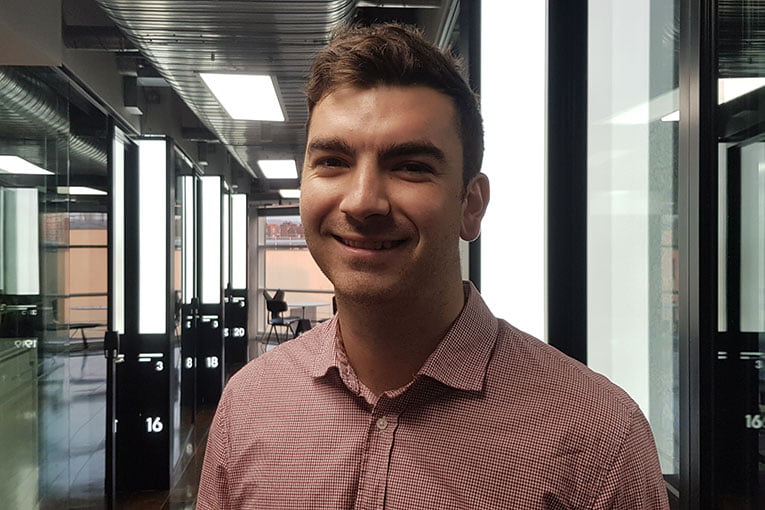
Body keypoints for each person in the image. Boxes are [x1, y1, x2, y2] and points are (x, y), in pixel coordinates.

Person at [197, 23, 670, 509]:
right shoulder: (248, 404)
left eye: (411, 167)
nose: (362, 202)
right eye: (333, 161)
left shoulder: (600, 439)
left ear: (472, 205)